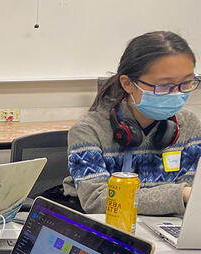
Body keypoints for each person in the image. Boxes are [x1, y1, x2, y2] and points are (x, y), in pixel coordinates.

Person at [64, 31, 201, 215]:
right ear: (128, 84)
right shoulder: (89, 130)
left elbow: (194, 196)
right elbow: (96, 200)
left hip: (169, 230)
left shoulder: (189, 124)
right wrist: (179, 195)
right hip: (109, 230)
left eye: (186, 84)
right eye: (163, 86)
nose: (177, 93)